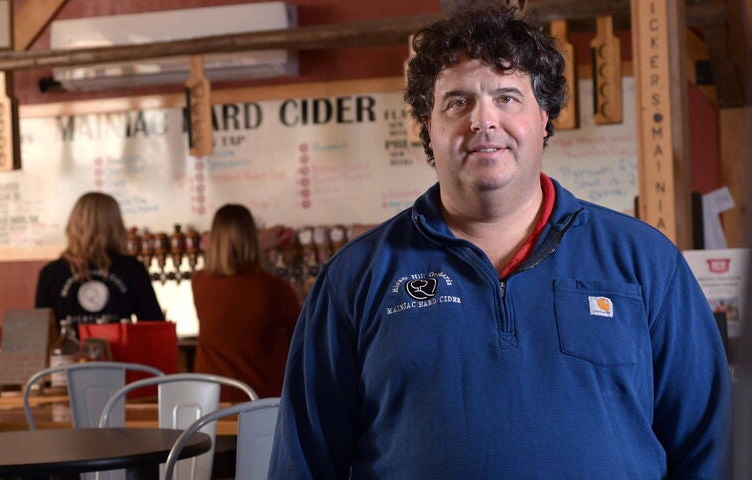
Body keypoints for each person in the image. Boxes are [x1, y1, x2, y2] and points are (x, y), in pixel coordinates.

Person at [268, 5, 731, 479]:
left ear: (544, 117)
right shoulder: (356, 276)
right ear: (427, 125)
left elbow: (712, 448)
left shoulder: (645, 262)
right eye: (457, 102)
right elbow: (303, 462)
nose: (482, 121)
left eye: (507, 97)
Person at [191, 204, 300, 401]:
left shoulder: (199, 282)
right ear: (252, 238)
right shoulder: (274, 288)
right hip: (261, 398)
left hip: (212, 400)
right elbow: (302, 337)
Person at [35, 192, 164, 328]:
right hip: (119, 349)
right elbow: (154, 325)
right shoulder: (132, 268)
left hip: (67, 350)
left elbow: (40, 334)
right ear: (116, 225)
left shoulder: (51, 273)